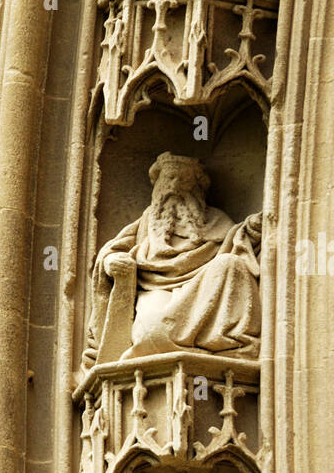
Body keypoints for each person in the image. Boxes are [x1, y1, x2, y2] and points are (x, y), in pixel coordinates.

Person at [85, 152, 262, 364]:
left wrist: (252, 228)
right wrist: (111, 262)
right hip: (155, 289)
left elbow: (236, 242)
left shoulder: (216, 220)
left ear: (197, 188)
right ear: (158, 185)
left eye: (184, 179)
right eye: (169, 178)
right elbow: (112, 250)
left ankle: (229, 343)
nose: (175, 185)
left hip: (203, 290)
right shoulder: (148, 221)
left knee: (231, 263)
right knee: (153, 335)